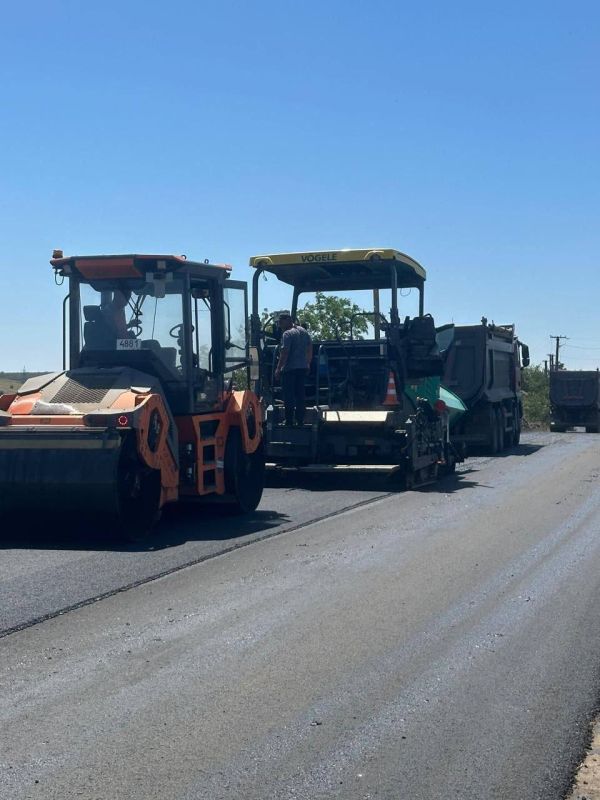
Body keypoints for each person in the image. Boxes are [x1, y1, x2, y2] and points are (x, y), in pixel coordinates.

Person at [274, 314, 313, 427]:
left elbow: (284, 352)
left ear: (288, 320)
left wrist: (278, 368)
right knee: (300, 394)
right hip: (302, 368)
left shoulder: (287, 334)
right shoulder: (303, 331)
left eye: (281, 322)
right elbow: (310, 347)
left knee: (289, 395)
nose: (279, 325)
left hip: (290, 369)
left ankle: (289, 420)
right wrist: (308, 363)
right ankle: (300, 420)